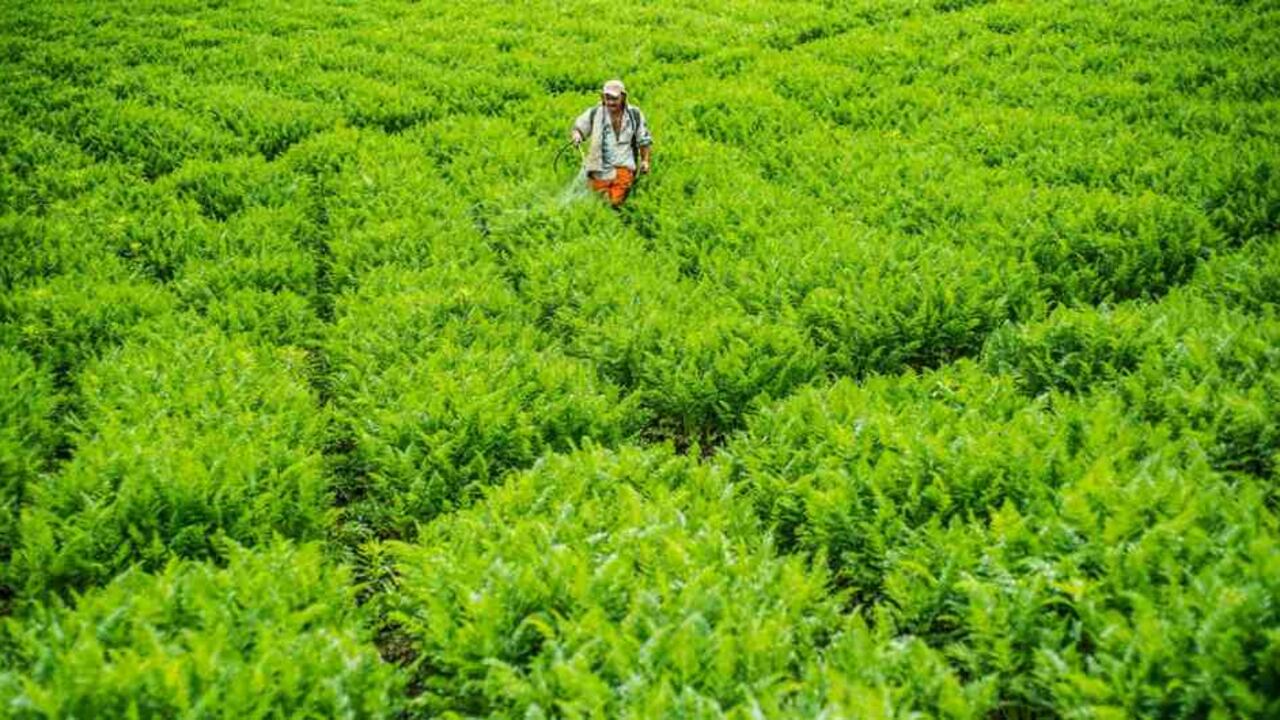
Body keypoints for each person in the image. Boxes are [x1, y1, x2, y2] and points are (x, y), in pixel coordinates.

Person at [571, 79, 652, 207]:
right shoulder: (595, 113)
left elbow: (644, 140)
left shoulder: (634, 114)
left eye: (614, 99)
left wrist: (645, 161)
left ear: (623, 97)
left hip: (624, 168)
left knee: (614, 202)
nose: (610, 102)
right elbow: (579, 128)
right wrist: (577, 136)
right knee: (596, 200)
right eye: (607, 98)